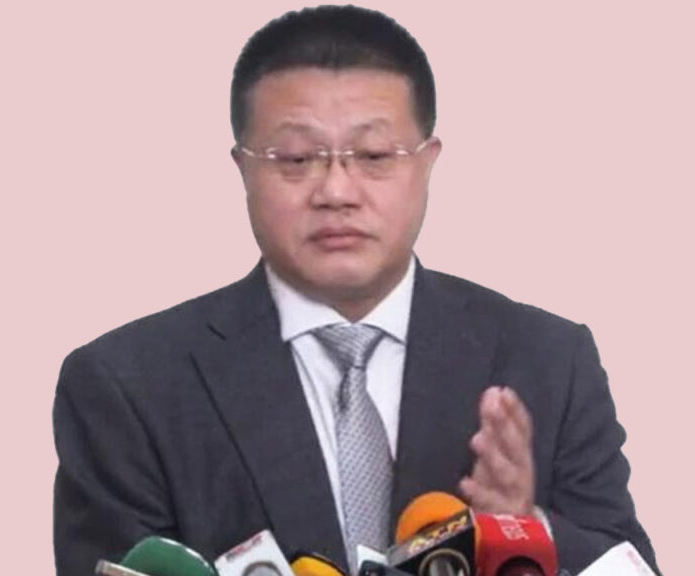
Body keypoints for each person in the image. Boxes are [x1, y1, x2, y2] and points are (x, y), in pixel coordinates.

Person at [53, 5, 659, 576]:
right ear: (243, 168)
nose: (337, 192)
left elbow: (628, 562)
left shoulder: (549, 360)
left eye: (373, 154)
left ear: (427, 162)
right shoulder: (127, 386)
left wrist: (528, 531)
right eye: (296, 159)